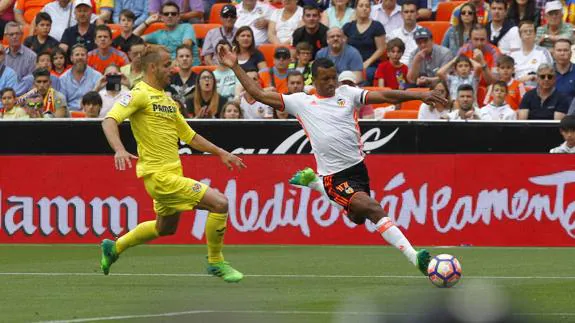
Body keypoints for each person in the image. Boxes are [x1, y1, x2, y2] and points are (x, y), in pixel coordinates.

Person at [219, 45, 449, 275]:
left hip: (358, 171)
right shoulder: (301, 102)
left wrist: (419, 94)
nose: (331, 82)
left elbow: (385, 95)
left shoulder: (347, 94)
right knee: (373, 208)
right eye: (326, 79)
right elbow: (259, 94)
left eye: (334, 78)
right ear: (314, 80)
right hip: (334, 176)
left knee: (357, 217)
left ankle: (314, 184)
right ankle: (415, 256)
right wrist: (235, 66)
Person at [100, 45, 245, 282]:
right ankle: (215, 261)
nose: (173, 69)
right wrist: (119, 149)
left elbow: (190, 136)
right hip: (159, 177)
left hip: (171, 174)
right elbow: (109, 120)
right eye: (168, 65)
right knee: (220, 203)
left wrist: (220, 152)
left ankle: (114, 247)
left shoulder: (167, 101)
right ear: (152, 67)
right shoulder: (138, 94)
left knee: (165, 228)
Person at [136, 2, 201, 65]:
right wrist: (147, 22)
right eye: (166, 14)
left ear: (178, 17)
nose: (170, 16)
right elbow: (133, 39)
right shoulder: (158, 34)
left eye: (173, 14)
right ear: (162, 17)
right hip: (168, 70)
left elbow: (185, 47)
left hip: (189, 68)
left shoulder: (186, 27)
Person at [342, 0, 385, 84]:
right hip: (351, 63)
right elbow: (343, 47)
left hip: (370, 65)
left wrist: (367, 62)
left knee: (366, 74)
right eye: (361, 6)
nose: (364, 8)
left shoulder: (377, 26)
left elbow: (381, 48)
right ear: (355, 9)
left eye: (367, 6)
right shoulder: (348, 27)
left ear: (370, 9)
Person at [59, 44, 103, 111]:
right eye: (77, 55)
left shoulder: (97, 76)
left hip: (91, 113)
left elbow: (100, 101)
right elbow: (62, 103)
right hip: (70, 116)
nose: (80, 57)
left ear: (87, 57)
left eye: (82, 55)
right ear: (71, 58)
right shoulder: (63, 78)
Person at [511, 20, 553, 88]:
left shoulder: (543, 52)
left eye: (531, 31)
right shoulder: (513, 55)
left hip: (538, 89)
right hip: (517, 89)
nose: (528, 33)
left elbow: (550, 74)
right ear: (519, 35)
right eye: (525, 31)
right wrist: (521, 80)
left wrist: (533, 77)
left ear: (535, 34)